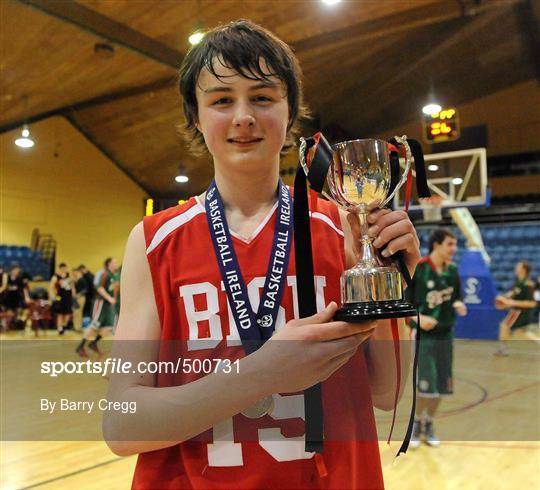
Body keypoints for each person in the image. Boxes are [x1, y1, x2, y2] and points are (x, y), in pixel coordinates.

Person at [104, 20, 421, 489]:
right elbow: (122, 424)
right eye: (221, 100)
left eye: (263, 97)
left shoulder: (345, 228)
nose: (243, 116)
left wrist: (394, 283)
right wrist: (261, 373)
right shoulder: (154, 240)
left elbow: (386, 393)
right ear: (196, 115)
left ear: (291, 112)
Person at [407, 228, 467, 448]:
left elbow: (457, 297)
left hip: (446, 335)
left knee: (442, 386)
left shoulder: (452, 271)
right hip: (425, 337)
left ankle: (428, 422)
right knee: (425, 386)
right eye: (450, 244)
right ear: (437, 245)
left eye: (455, 244)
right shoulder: (420, 269)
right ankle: (415, 422)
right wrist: (419, 318)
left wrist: (459, 304)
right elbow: (406, 307)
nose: (454, 248)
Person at [76, 258, 119, 356]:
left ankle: (94, 343)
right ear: (109, 264)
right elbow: (99, 288)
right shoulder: (105, 274)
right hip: (101, 302)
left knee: (109, 327)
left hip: (108, 305)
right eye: (114, 262)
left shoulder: (114, 275)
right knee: (94, 325)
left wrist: (114, 298)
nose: (116, 264)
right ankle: (80, 346)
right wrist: (109, 298)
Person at [494, 260, 536, 356]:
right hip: (516, 310)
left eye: (518, 266)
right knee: (521, 332)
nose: (516, 268)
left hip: (521, 311)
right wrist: (502, 298)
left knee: (504, 326)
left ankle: (502, 350)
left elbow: (532, 303)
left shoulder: (528, 284)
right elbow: (512, 293)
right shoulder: (518, 282)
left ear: (523, 270)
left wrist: (511, 302)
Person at [49, 263, 75, 335]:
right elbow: (51, 287)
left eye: (65, 268)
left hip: (68, 297)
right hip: (60, 297)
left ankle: (64, 326)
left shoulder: (69, 276)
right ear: (60, 269)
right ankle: (59, 328)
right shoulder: (56, 277)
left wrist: (73, 293)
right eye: (62, 268)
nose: (64, 270)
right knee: (60, 314)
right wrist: (52, 297)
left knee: (67, 314)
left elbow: (72, 286)